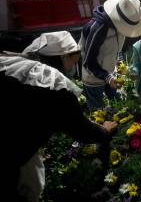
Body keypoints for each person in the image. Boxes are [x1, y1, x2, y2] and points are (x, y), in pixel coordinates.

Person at [0, 54, 118, 201]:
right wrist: (105, 130)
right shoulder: (55, 84)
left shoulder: (16, 65)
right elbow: (82, 129)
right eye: (74, 61)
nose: (74, 67)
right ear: (64, 57)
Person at [80, 0, 141, 110]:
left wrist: (122, 67)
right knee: (98, 113)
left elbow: (117, 50)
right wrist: (108, 77)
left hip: (111, 73)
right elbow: (89, 61)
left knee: (119, 106)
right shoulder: (99, 28)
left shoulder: (121, 26)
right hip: (93, 76)